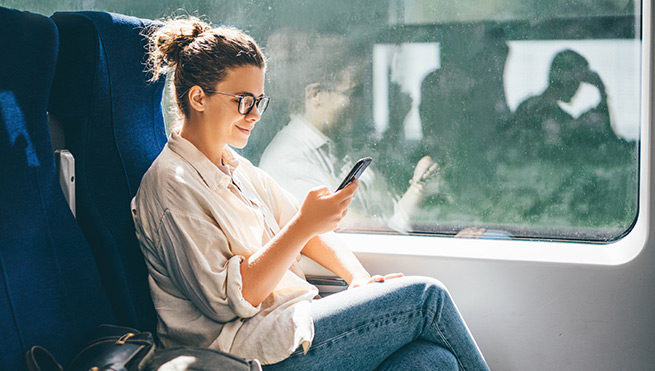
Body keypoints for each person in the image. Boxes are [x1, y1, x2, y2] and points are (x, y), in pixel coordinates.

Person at [131, 17, 489, 370]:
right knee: (426, 298)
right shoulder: (171, 185)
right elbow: (230, 302)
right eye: (243, 101)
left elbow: (309, 232)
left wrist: (358, 279)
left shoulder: (236, 167)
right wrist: (303, 225)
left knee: (430, 361)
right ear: (198, 98)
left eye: (260, 101)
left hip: (290, 323)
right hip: (243, 353)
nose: (255, 114)